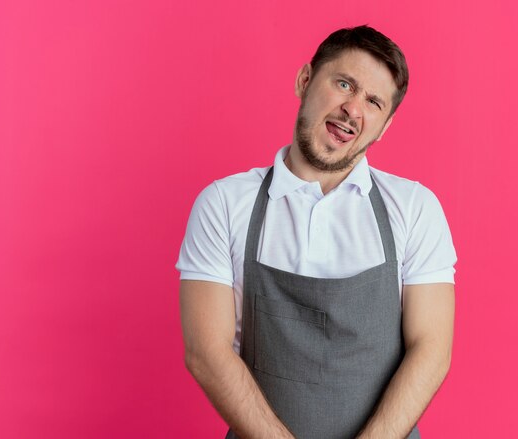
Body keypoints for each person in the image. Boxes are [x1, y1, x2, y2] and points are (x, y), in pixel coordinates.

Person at [177, 25, 457, 439]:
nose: (353, 109)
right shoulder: (223, 204)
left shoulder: (415, 208)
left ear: (384, 126)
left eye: (374, 102)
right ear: (304, 80)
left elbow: (431, 350)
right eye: (344, 84)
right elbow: (206, 353)